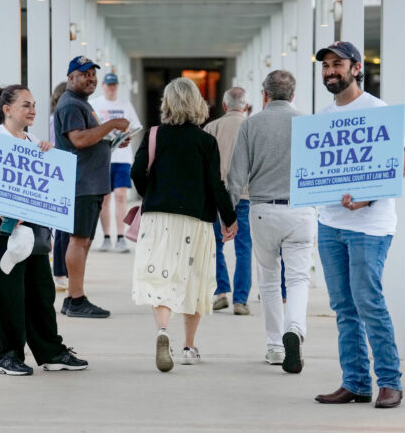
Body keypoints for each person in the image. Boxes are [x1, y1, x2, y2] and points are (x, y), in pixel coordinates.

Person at [312, 41, 405, 408]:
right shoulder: (320, 118)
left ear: (356, 67)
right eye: (326, 66)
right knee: (343, 307)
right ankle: (355, 382)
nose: (331, 71)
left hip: (370, 225)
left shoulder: (378, 111)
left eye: (338, 64)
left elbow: (397, 164)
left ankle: (390, 382)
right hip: (329, 223)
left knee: (368, 302)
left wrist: (367, 198)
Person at [131, 77, 238, 372]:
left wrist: (151, 193)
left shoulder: (154, 135)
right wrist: (229, 218)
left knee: (161, 277)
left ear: (167, 103)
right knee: (194, 280)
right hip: (195, 220)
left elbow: (137, 172)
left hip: (157, 217)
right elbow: (215, 185)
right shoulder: (205, 141)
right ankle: (189, 347)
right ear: (197, 104)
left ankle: (163, 331)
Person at [0, 84, 87, 375]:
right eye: (26, 105)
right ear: (7, 109)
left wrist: (47, 155)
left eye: (34, 105)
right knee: (7, 291)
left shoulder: (33, 140)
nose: (33, 110)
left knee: (41, 288)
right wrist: (7, 213)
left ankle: (50, 351)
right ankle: (9, 355)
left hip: (33, 225)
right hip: (1, 226)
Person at [227, 70, 317, 374]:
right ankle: (295, 328)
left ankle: (276, 347)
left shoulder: (251, 125)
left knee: (268, 280)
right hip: (301, 211)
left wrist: (229, 216)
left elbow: (236, 176)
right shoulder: (308, 124)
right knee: (298, 279)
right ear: (293, 96)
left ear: (264, 95)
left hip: (263, 209)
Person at [54, 56, 130, 318]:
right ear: (71, 77)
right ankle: (75, 300)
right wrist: (111, 125)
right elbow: (78, 139)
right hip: (80, 184)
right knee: (78, 240)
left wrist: (109, 141)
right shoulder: (71, 105)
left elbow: (89, 139)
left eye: (93, 74)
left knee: (84, 240)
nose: (91, 79)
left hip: (91, 182)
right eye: (85, 74)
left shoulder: (81, 104)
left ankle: (77, 296)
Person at [203, 87, 253, 316]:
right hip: (246, 196)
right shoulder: (252, 127)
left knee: (215, 247)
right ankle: (240, 301)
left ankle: (221, 292)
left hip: (216, 197)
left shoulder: (211, 128)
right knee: (244, 249)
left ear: (224, 106)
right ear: (245, 106)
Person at [90, 73, 143, 253]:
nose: (111, 88)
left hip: (122, 157)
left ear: (117, 86)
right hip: (103, 157)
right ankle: (106, 237)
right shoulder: (95, 104)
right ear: (103, 86)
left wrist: (127, 134)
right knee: (105, 198)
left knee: (120, 196)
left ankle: (120, 237)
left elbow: (137, 126)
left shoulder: (125, 104)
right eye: (108, 85)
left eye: (114, 85)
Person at [49, 81, 69, 292]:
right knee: (62, 227)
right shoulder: (55, 120)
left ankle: (62, 271)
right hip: (59, 177)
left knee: (63, 228)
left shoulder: (55, 119)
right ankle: (60, 273)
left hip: (61, 176)